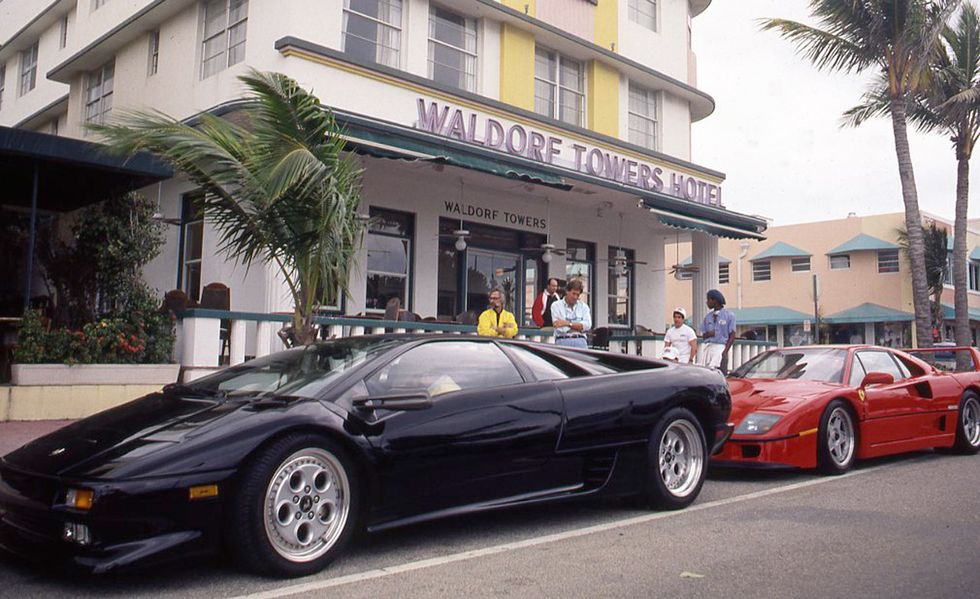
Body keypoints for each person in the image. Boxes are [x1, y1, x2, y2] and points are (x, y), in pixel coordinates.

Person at [700, 289, 736, 373]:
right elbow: (703, 335)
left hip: (721, 348)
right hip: (710, 347)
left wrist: (725, 351)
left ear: (714, 300)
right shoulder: (708, 317)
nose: (707, 302)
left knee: (719, 373)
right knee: (707, 372)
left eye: (708, 300)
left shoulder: (729, 315)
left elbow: (732, 335)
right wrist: (709, 334)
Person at [551, 278, 592, 348]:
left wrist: (567, 323)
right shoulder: (556, 305)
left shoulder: (584, 307)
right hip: (562, 340)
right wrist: (579, 327)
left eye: (578, 295)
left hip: (580, 340)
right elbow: (559, 328)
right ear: (567, 291)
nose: (575, 297)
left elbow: (587, 325)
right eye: (573, 293)